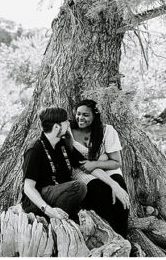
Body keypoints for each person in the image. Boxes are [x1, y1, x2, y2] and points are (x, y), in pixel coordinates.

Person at [71, 99, 130, 236]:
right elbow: (83, 165)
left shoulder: (107, 131)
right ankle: (107, 233)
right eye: (78, 114)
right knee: (99, 192)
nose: (80, 118)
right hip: (82, 170)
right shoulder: (69, 131)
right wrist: (111, 183)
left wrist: (96, 163)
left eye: (86, 115)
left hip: (106, 167)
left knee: (121, 200)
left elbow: (115, 162)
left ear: (95, 116)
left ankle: (122, 237)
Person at [21, 107, 88, 222]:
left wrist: (113, 183)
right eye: (65, 121)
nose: (68, 124)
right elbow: (28, 187)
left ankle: (62, 217)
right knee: (79, 187)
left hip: (61, 194)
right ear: (57, 127)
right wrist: (47, 209)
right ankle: (52, 218)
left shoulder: (63, 144)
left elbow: (84, 163)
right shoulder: (35, 150)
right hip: (39, 201)